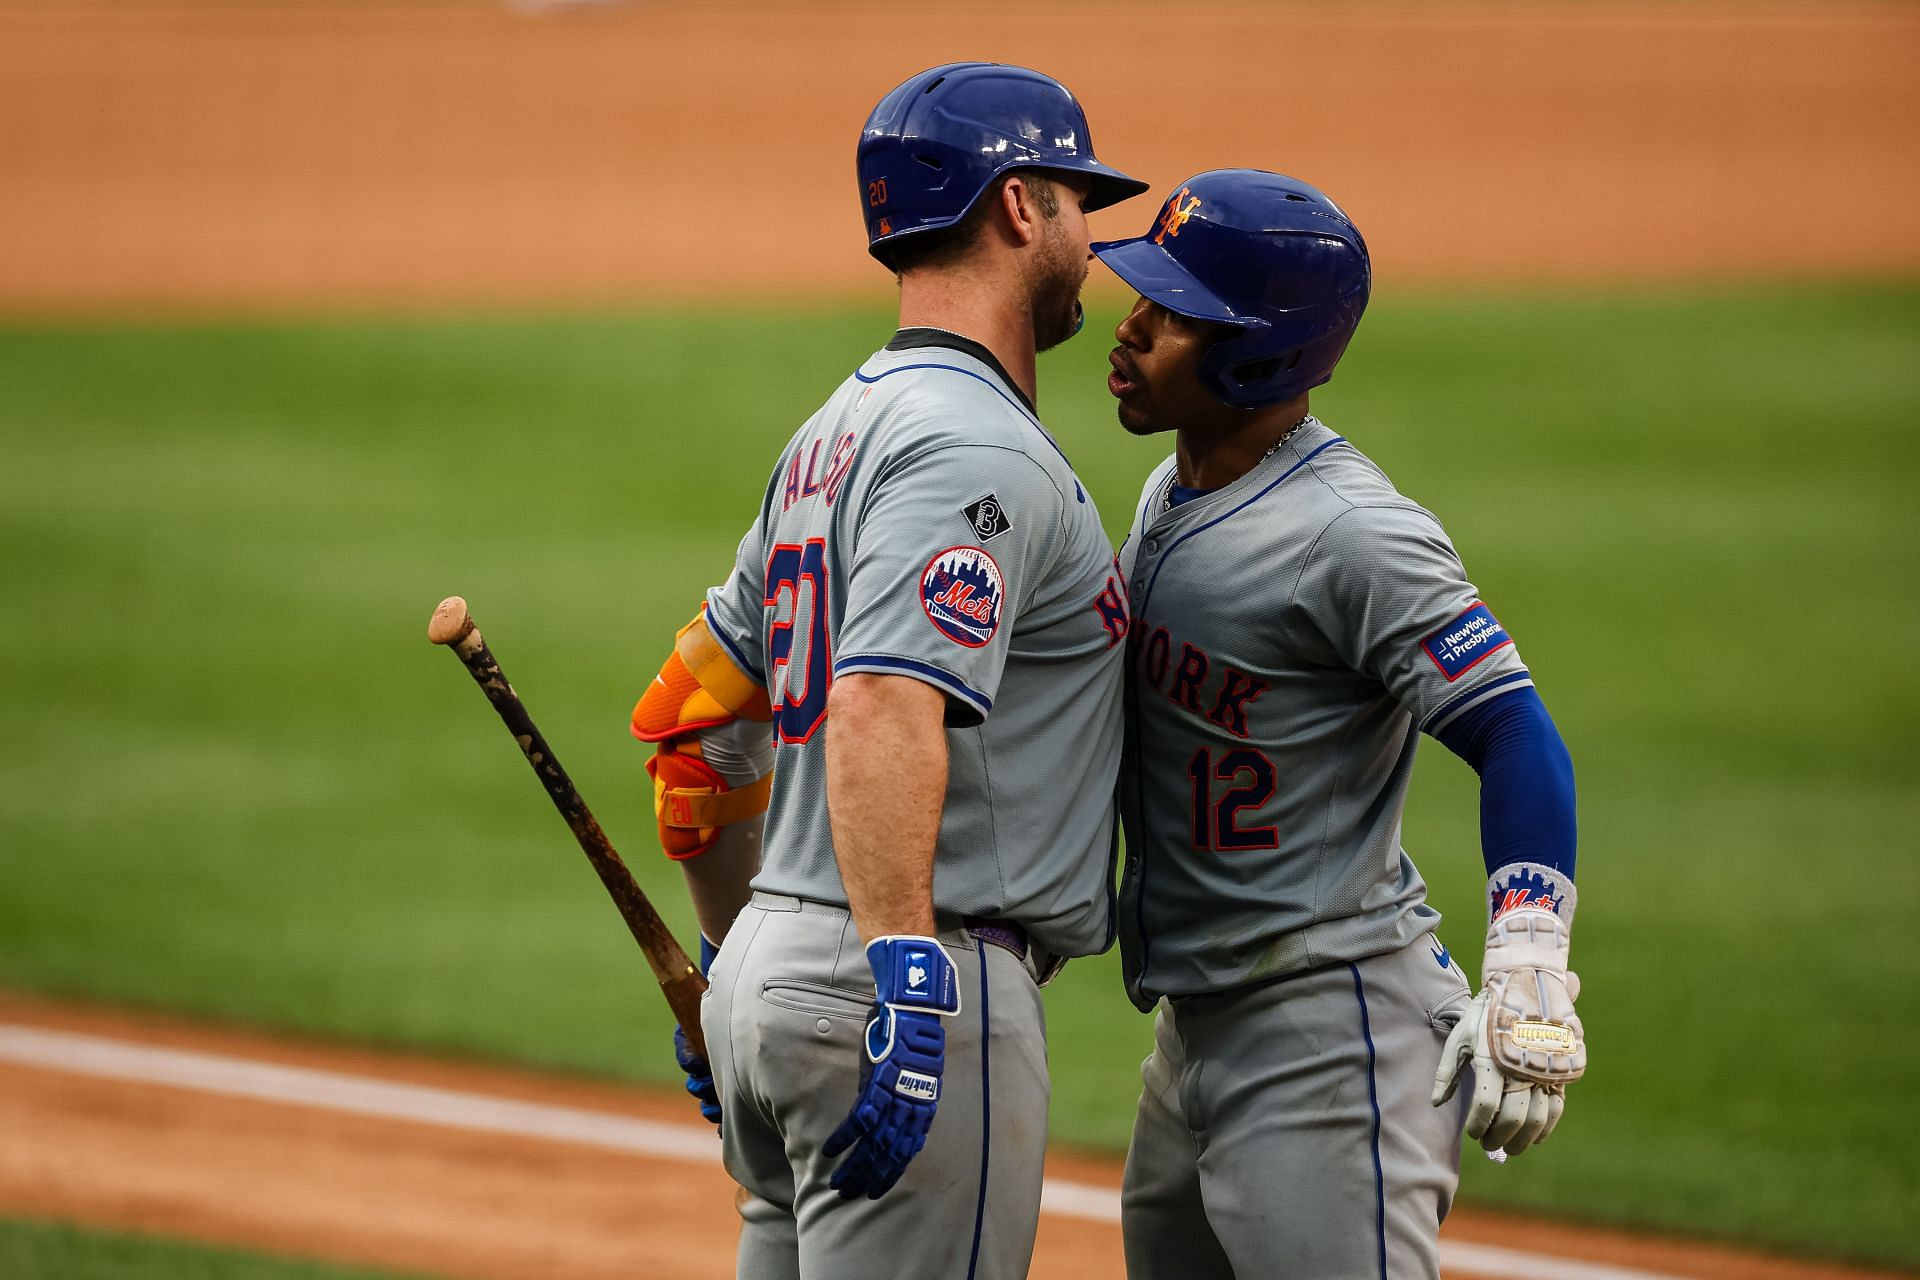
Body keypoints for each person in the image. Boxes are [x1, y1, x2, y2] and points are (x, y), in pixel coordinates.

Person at [628, 62, 1145, 1280]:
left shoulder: (831, 430)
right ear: (1020, 205)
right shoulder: (973, 442)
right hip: (913, 979)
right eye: (1077, 199)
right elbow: (880, 699)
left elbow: (692, 721)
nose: (1093, 234)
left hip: (775, 979)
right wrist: (906, 975)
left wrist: (728, 963)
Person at [1092, 169, 1587, 1279]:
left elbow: (1518, 734)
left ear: (1258, 356)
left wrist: (1529, 953)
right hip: (1194, 1033)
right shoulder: (1173, 489)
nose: (1128, 325)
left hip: (1329, 1038)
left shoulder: (1354, 533)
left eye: (1172, 315)